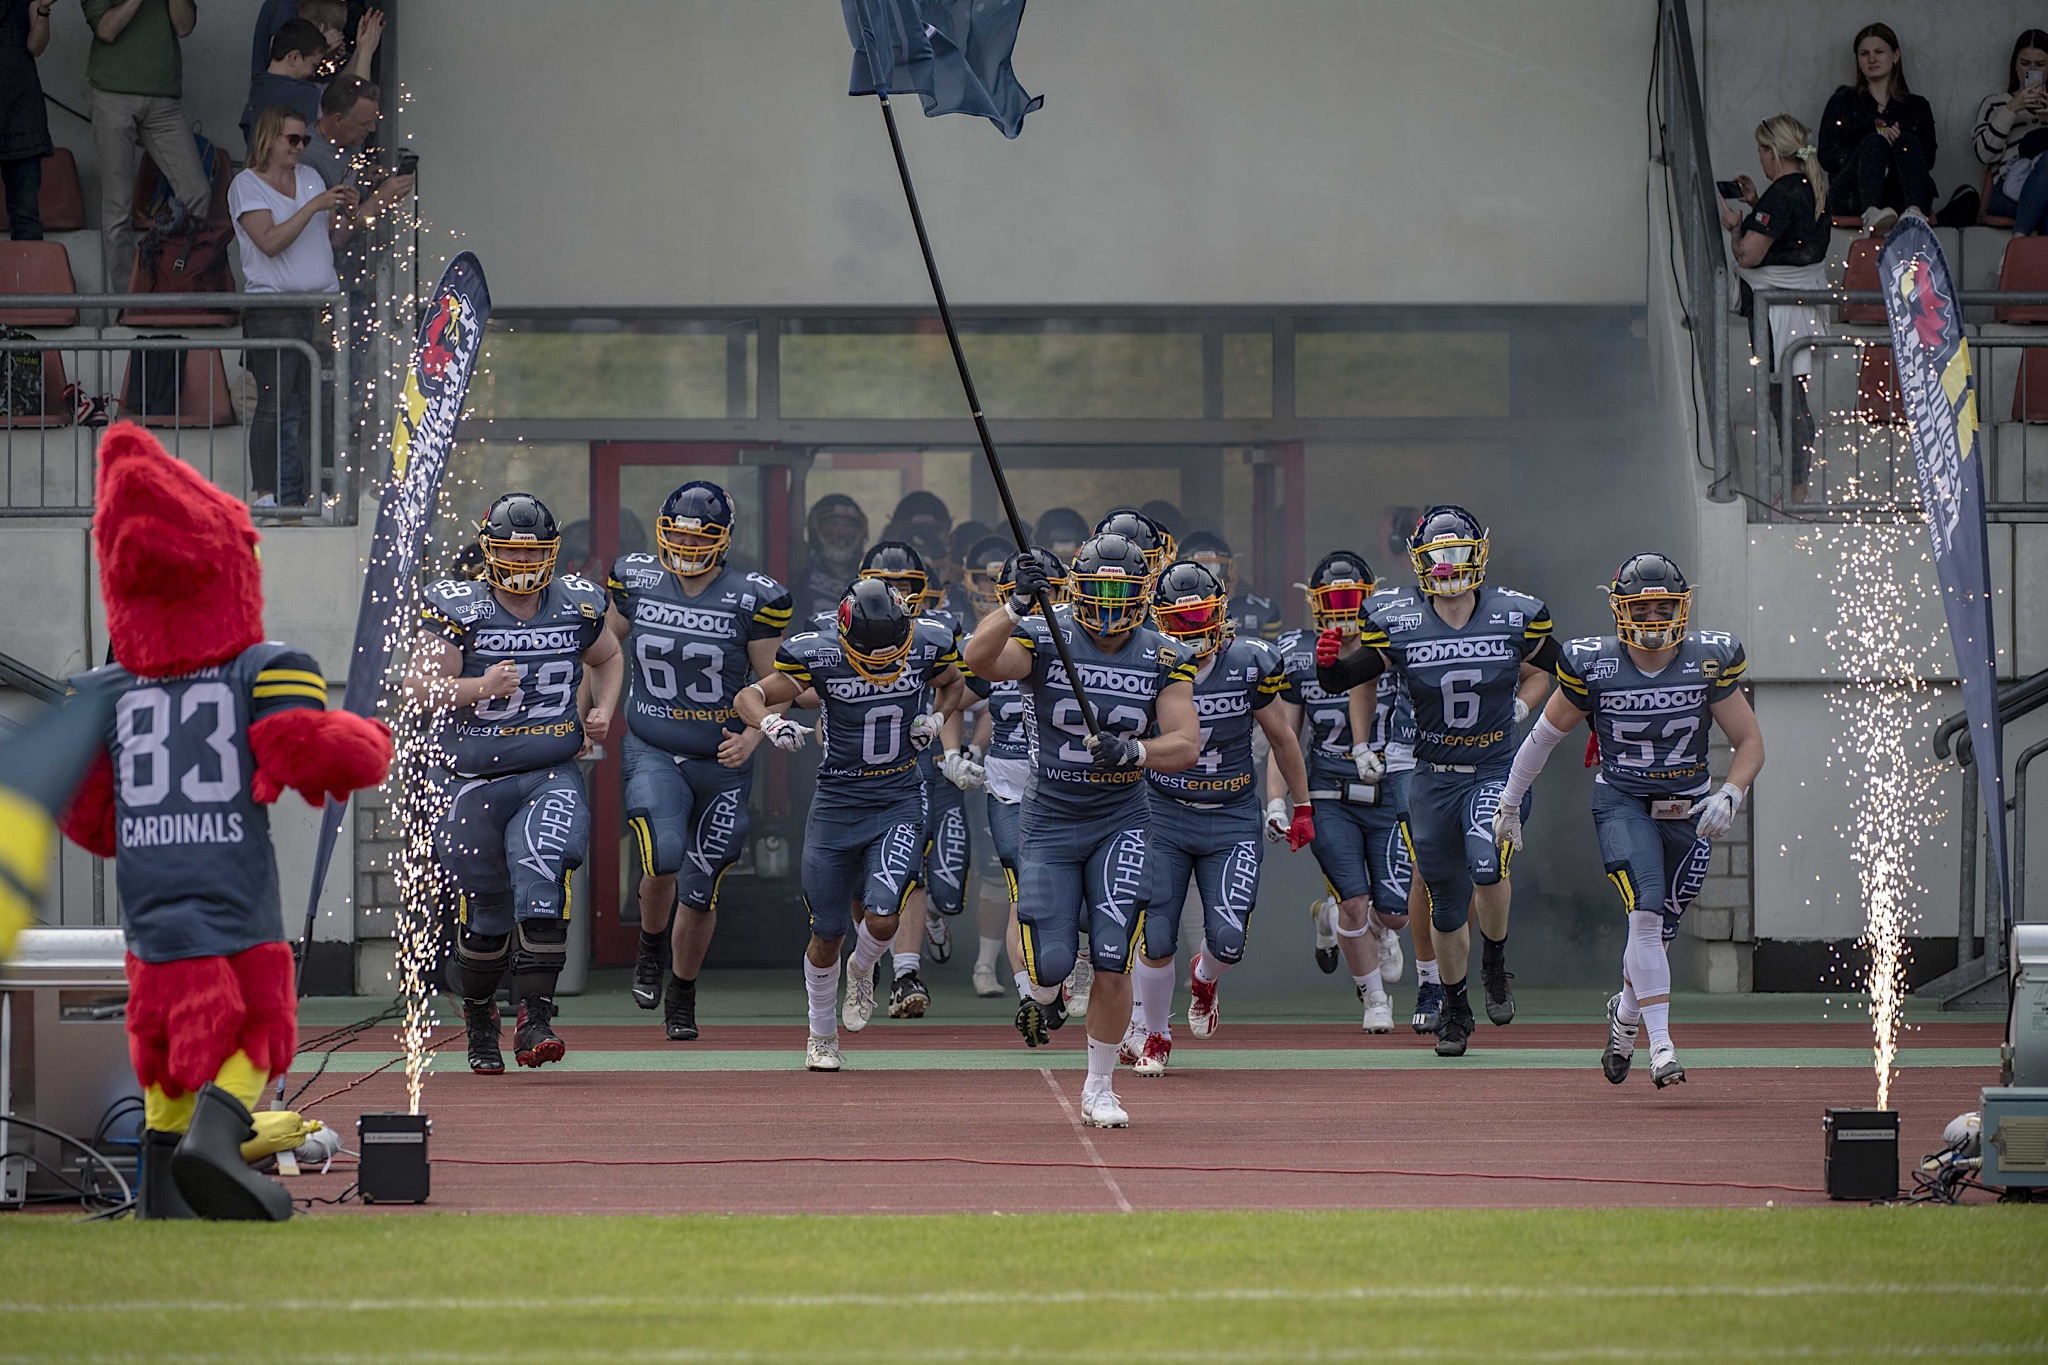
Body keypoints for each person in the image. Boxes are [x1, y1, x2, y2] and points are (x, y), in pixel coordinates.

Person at [1493, 554, 1764, 1088]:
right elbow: (1543, 738)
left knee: (1660, 930)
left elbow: (1749, 741)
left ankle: (1625, 1018)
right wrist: (1508, 802)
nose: (1656, 616)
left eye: (1666, 605)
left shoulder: (1709, 659)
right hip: (1623, 802)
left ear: (1683, 607)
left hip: (1689, 807)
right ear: (1621, 608)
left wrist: (1731, 792)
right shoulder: (1593, 663)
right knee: (1643, 909)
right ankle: (1661, 1047)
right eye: (1645, 606)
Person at [961, 533, 1201, 1128]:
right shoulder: (1047, 632)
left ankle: (1100, 1086)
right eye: (1101, 590)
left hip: (1120, 818)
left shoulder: (1164, 654)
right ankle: (1044, 1000)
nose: (1112, 604)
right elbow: (978, 659)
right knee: (1049, 966)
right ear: (1079, 588)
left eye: (1124, 590)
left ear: (1143, 592)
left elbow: (1186, 743)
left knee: (1115, 955)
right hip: (1049, 816)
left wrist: (1136, 750)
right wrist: (1017, 603)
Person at [1315, 505, 1557, 1057]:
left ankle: (1494, 964)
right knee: (1444, 902)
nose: (1448, 566)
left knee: (1486, 860)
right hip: (1430, 773)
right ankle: (1455, 1005)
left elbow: (1563, 668)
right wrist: (1330, 664)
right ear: (1420, 561)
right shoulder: (1397, 617)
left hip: (1494, 767)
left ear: (1478, 555)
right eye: (1437, 555)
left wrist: (1531, 707)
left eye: (1457, 552)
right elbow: (1352, 677)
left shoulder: (1515, 613)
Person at [405, 493, 624, 1074]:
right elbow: (417, 688)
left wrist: (602, 708)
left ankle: (537, 1017)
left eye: (532, 551)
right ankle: (481, 1019)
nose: (521, 563)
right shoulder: (460, 608)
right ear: (487, 551)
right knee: (488, 915)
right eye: (507, 550)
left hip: (548, 772)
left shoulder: (577, 603)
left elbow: (608, 655)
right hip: (472, 780)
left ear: (553, 553)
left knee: (543, 878)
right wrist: (480, 687)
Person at [735, 577, 968, 1072]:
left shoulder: (927, 640)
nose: (884, 666)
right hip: (837, 805)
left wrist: (936, 718)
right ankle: (821, 1034)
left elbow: (953, 682)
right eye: (872, 655)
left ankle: (862, 972)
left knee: (883, 916)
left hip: (898, 796)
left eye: (894, 653)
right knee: (827, 930)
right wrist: (771, 724)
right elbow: (748, 697)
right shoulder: (817, 652)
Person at [605, 480, 792, 1042]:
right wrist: (597, 711)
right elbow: (605, 651)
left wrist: (756, 738)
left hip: (721, 755)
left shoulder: (754, 596)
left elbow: (776, 683)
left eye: (701, 535)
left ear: (725, 538)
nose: (687, 546)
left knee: (702, 884)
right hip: (655, 745)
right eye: (678, 534)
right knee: (662, 857)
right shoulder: (635, 579)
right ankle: (650, 945)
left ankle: (682, 992)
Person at [1120, 560, 1313, 1075]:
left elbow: (1282, 737)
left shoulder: (1250, 660)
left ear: (1221, 611)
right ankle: (1156, 1035)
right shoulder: (1146, 660)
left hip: (1229, 815)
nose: (1190, 629)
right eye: (1178, 620)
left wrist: (1302, 803)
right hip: (1163, 811)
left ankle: (1204, 979)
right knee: (1156, 934)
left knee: (1228, 942)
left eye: (1199, 615)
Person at [1276, 552, 1418, 1034]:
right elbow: (1285, 738)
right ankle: (1374, 997)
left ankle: (1339, 917)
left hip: (1389, 786)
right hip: (1329, 789)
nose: (1341, 610)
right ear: (1314, 603)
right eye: (1332, 600)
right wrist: (1279, 800)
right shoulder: (1297, 653)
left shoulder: (1397, 639)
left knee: (1395, 914)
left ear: (1371, 597)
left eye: (1351, 599)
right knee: (1356, 903)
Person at [230, 107, 354, 510]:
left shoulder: (310, 179)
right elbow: (268, 241)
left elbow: (331, 238)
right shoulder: (246, 185)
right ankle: (266, 494)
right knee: (275, 405)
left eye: (304, 140)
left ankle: (316, 493)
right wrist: (314, 205)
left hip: (321, 305)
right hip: (274, 308)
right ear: (268, 139)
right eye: (293, 139)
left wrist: (357, 207)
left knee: (320, 406)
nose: (301, 147)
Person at [960, 537, 1055, 998]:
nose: (1043, 604)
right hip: (1010, 786)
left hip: (1066, 785)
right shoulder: (997, 646)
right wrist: (951, 747)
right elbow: (953, 696)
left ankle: (1066, 965)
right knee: (1020, 887)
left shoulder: (1079, 645)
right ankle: (1024, 985)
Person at [1722, 115, 1831, 505]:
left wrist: (1735, 225)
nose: (1760, 160)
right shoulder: (1809, 187)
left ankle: (1796, 488)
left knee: (1783, 398)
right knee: (1791, 394)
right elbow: (1790, 234)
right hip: (1798, 303)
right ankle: (1797, 484)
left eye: (1760, 152)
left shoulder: (1782, 195)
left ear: (1771, 153)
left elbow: (1749, 255)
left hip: (1777, 311)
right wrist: (1755, 203)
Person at [84, 0, 214, 290]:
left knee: (197, 191)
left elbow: (183, 27)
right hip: (111, 94)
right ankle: (127, 302)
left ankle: (174, 281)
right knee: (118, 207)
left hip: (163, 99)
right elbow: (106, 30)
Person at [1818, 22, 1937, 232]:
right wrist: (1872, 146)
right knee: (1874, 142)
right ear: (1858, 60)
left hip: (1901, 192)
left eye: (1879, 52)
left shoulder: (1916, 106)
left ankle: (1914, 212)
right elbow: (1827, 155)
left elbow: (1928, 158)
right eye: (1864, 54)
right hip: (1853, 194)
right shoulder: (1843, 101)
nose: (1872, 59)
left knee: (1907, 142)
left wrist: (1897, 143)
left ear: (1895, 55)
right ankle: (1871, 212)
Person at [1977, 30, 2048, 233]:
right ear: (2015, 65)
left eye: (2041, 65)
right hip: (2008, 189)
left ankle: (2017, 251)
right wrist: (2011, 109)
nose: (2032, 70)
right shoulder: (1995, 103)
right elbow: (1984, 154)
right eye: (2025, 64)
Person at [1, 0, 55, 241]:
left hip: (21, 110)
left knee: (26, 219)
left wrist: (43, 8)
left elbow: (36, 46)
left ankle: (29, 280)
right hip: (19, 107)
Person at [237, 18, 324, 152]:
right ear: (294, 57)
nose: (313, 73)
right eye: (314, 65)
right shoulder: (305, 94)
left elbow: (246, 127)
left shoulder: (259, 86)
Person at [1181, 530, 1281, 642]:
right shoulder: (1165, 613)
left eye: (1213, 568)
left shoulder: (1260, 612)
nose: (1207, 580)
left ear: (1230, 570)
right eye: (1196, 572)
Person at [792, 493, 869, 624]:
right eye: (833, 523)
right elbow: (793, 533)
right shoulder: (802, 565)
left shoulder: (868, 571)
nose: (840, 532)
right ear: (815, 529)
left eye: (848, 525)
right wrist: (798, 479)